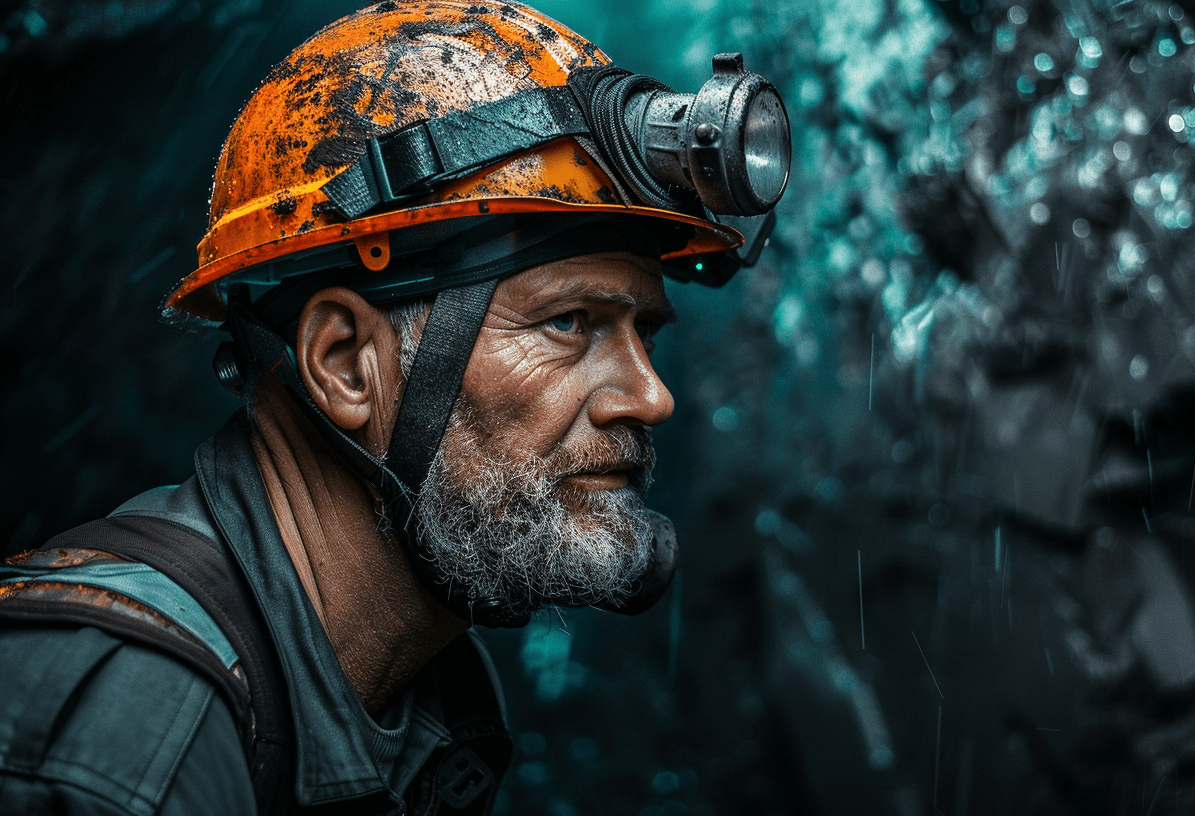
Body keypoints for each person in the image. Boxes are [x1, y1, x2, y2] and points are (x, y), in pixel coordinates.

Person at [0, 1, 790, 813]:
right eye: (568, 323)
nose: (651, 397)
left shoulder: (428, 706)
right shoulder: (121, 745)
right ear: (345, 364)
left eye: (644, 333)